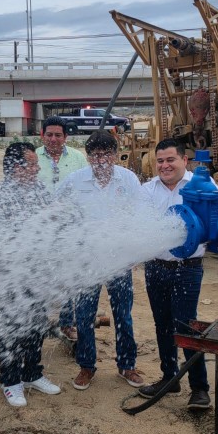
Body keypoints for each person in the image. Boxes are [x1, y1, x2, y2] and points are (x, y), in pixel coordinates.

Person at [138, 139, 218, 410]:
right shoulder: (146, 191)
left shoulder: (202, 186)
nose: (165, 166)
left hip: (187, 268)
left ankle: (199, 389)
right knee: (162, 324)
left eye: (170, 160)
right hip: (155, 266)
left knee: (186, 326)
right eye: (160, 161)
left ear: (184, 160)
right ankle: (169, 378)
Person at [57, 129, 145, 391]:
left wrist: (135, 253)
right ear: (88, 157)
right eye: (95, 155)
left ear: (116, 155)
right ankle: (86, 366)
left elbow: (140, 216)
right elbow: (53, 207)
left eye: (106, 154)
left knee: (123, 315)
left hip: (119, 261)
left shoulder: (128, 180)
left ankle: (127, 365)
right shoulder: (75, 181)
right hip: (86, 261)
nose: (101, 160)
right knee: (84, 316)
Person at [0, 142, 62, 407]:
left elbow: (52, 220)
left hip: (37, 274)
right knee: (11, 329)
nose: (37, 167)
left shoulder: (39, 189)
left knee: (37, 326)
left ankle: (32, 373)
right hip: (9, 276)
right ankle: (10, 381)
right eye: (32, 163)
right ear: (17, 167)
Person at [34, 116, 88, 341]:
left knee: (69, 278)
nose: (53, 139)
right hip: (39, 230)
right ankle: (38, 324)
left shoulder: (77, 159)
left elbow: (85, 190)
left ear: (66, 137)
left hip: (70, 230)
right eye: (49, 135)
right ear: (42, 135)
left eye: (58, 135)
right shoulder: (33, 157)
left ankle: (67, 323)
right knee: (38, 278)